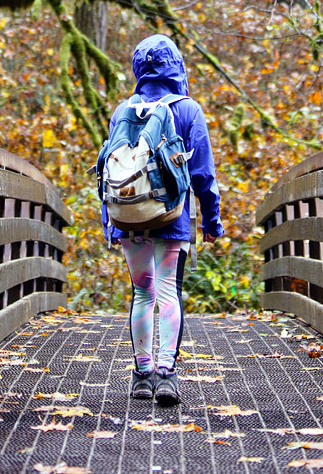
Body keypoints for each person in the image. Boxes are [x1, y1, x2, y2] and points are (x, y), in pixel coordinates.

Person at [102, 34, 223, 407]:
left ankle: (141, 374)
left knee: (142, 292)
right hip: (172, 218)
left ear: (138, 68)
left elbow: (109, 168)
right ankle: (167, 375)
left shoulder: (123, 111)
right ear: (176, 65)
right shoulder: (188, 110)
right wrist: (212, 221)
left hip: (129, 218)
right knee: (168, 292)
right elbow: (202, 174)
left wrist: (110, 221)